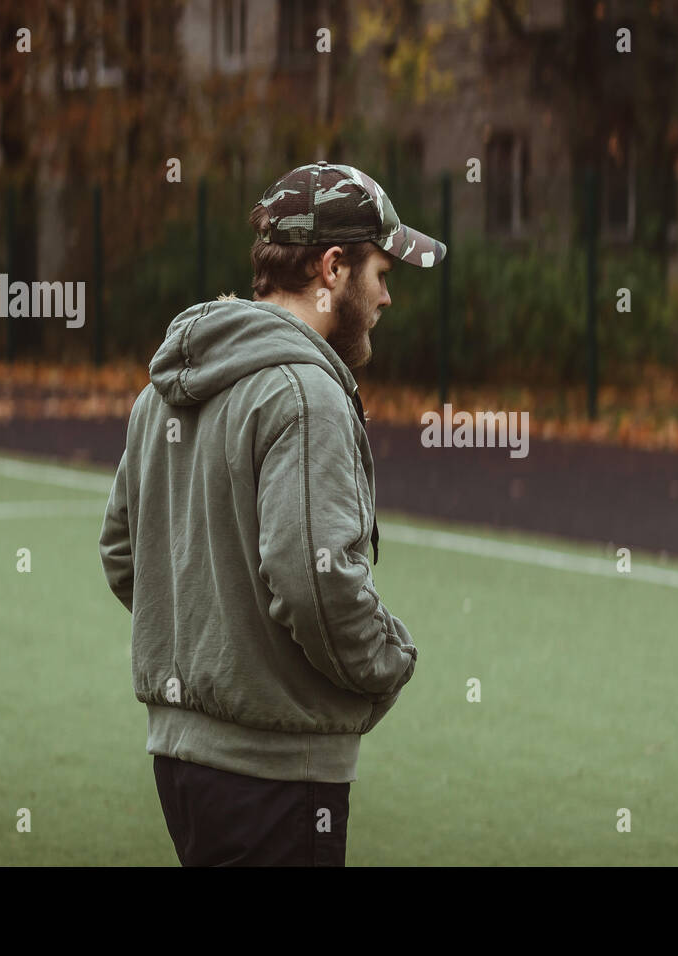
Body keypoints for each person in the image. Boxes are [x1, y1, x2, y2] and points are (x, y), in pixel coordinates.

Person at [98, 161, 446, 866]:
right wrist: (387, 661)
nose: (387, 297)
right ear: (332, 268)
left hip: (179, 763)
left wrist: (217, 649)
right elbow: (313, 580)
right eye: (382, 272)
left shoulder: (161, 393)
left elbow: (123, 555)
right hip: (275, 772)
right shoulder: (305, 395)